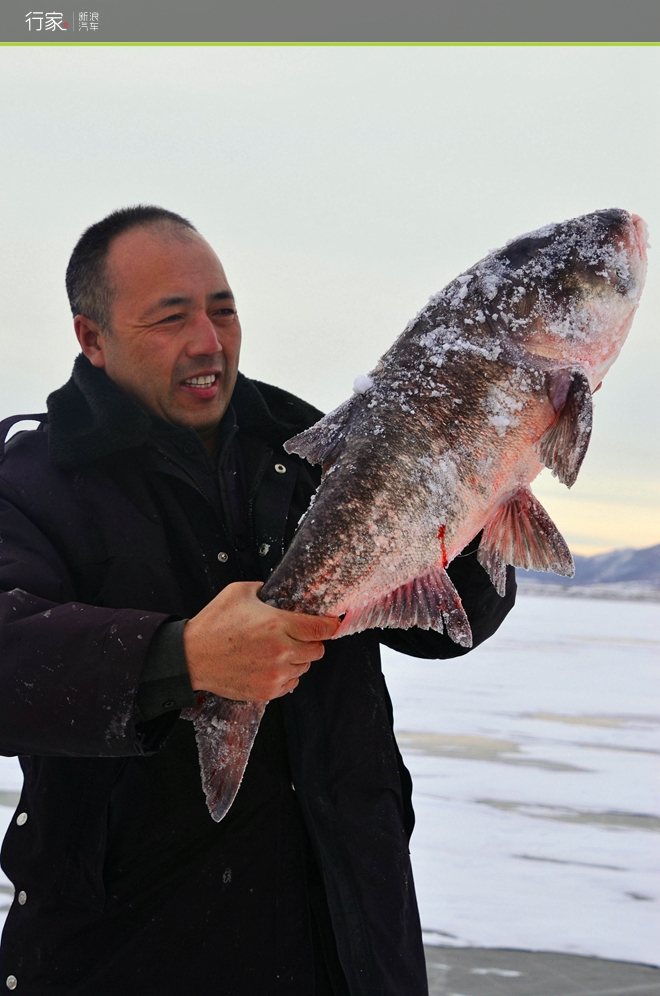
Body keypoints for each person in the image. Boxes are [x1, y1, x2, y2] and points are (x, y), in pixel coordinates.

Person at [0, 206, 516, 996]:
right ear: (92, 338)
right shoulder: (31, 477)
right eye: (171, 319)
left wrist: (483, 488)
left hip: (352, 942)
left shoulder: (312, 445)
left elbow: (449, 626)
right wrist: (179, 658)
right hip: (129, 952)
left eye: (223, 309)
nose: (209, 342)